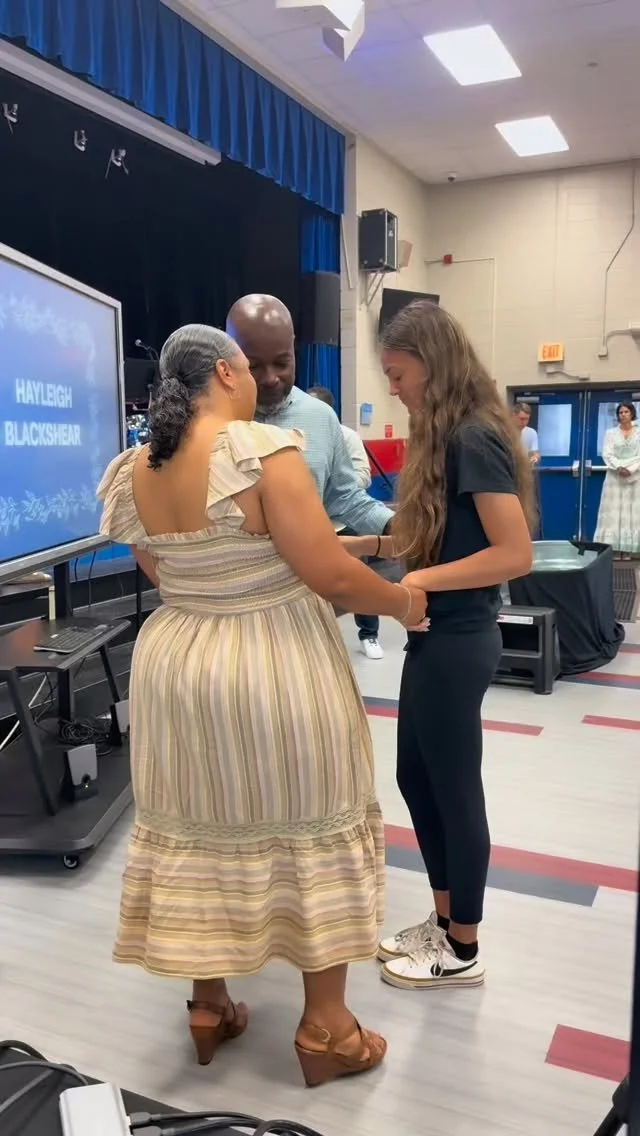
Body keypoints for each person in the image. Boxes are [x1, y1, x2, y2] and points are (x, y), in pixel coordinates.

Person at [97, 324, 426, 1087]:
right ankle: (328, 1027)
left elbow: (174, 570)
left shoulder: (134, 469)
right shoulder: (261, 451)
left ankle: (208, 1003)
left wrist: (363, 553)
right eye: (248, 368)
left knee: (200, 824)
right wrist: (404, 603)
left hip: (177, 666)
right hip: (272, 660)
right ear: (225, 371)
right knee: (312, 815)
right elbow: (325, 575)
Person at [342, 302, 533, 992]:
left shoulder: (474, 435)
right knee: (416, 779)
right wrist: (368, 545)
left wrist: (417, 579)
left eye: (398, 374)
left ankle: (463, 948)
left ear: (433, 363)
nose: (393, 388)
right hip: (435, 638)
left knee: (453, 789)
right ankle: (445, 919)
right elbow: (442, 535)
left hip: (461, 637)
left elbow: (512, 553)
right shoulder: (444, 433)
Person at [226, 294, 391, 662]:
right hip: (231, 613)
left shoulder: (320, 417)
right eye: (254, 366)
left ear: (295, 349)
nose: (271, 378)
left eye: (282, 362)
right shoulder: (211, 422)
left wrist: (395, 526)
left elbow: (344, 497)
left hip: (303, 604)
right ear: (229, 360)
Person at [308, 384, 384, 660]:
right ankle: (313, 638)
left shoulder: (347, 436)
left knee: (358, 578)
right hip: (308, 525)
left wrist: (333, 487)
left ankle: (369, 634)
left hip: (342, 523)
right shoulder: (296, 435)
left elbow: (363, 475)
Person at [594, 401, 640, 559]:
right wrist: (619, 467)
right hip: (615, 477)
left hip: (635, 477)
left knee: (631, 511)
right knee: (613, 511)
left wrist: (630, 469)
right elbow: (607, 453)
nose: (623, 415)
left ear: (632, 413)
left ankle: (627, 549)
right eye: (621, 412)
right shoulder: (610, 433)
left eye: (626, 412)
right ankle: (612, 548)